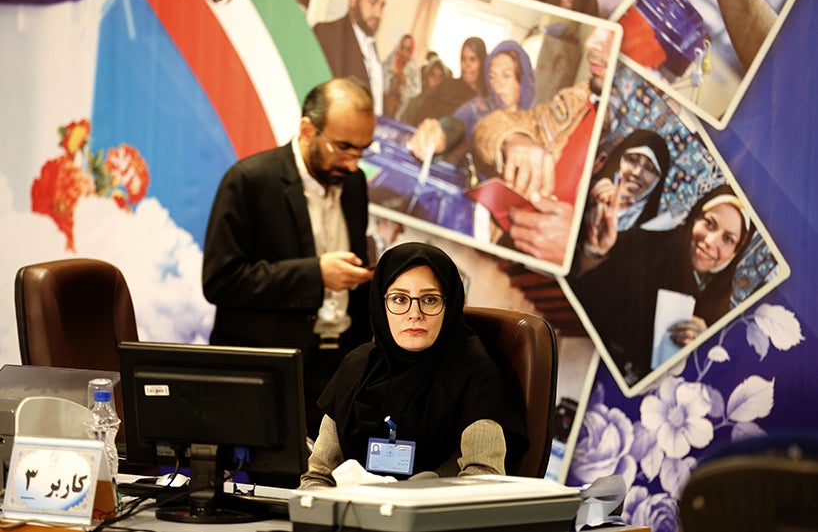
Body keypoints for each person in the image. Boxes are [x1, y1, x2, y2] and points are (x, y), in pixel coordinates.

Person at [202, 77, 377, 439]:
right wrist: (315, 275)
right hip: (269, 369)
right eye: (343, 148)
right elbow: (221, 280)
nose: (352, 164)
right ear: (308, 130)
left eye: (362, 151)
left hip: (341, 364)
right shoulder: (249, 180)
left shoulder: (355, 184)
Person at [299, 242, 528, 488]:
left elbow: (483, 479)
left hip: (437, 510)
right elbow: (317, 476)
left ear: (449, 305)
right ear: (380, 304)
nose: (415, 313)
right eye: (399, 299)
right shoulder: (357, 367)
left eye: (429, 299)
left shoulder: (475, 374)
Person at [568, 184, 754, 386]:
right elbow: (580, 294)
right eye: (709, 223)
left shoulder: (722, 314)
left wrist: (702, 350)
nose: (710, 241)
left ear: (735, 252)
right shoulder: (645, 246)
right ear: (695, 217)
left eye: (728, 239)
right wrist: (593, 253)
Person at [470, 26, 615, 264]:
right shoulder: (573, 102)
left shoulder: (648, 149)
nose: (590, 42)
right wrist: (514, 138)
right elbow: (489, 124)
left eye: (615, 31)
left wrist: (581, 251)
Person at [406, 40, 536, 171]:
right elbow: (457, 122)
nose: (497, 85)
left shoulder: (536, 120)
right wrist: (438, 132)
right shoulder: (479, 107)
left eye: (506, 76)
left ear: (523, 80)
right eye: (492, 76)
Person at [582, 128, 670, 250]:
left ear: (658, 179)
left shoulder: (650, 238)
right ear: (620, 159)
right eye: (632, 160)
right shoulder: (589, 193)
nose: (637, 173)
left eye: (649, 168)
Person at [313, 0, 386, 115]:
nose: (378, 13)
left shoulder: (371, 46)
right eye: (372, 2)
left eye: (382, 6)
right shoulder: (327, 34)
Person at [399, 37, 488, 128]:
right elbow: (423, 117)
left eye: (472, 59)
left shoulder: (487, 99)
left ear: (482, 62)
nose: (466, 65)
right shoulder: (448, 87)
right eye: (463, 59)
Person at [382, 34, 421, 120]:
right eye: (402, 47)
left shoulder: (413, 70)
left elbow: (416, 91)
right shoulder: (390, 62)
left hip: (400, 115)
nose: (403, 52)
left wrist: (405, 83)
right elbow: (379, 81)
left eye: (408, 49)